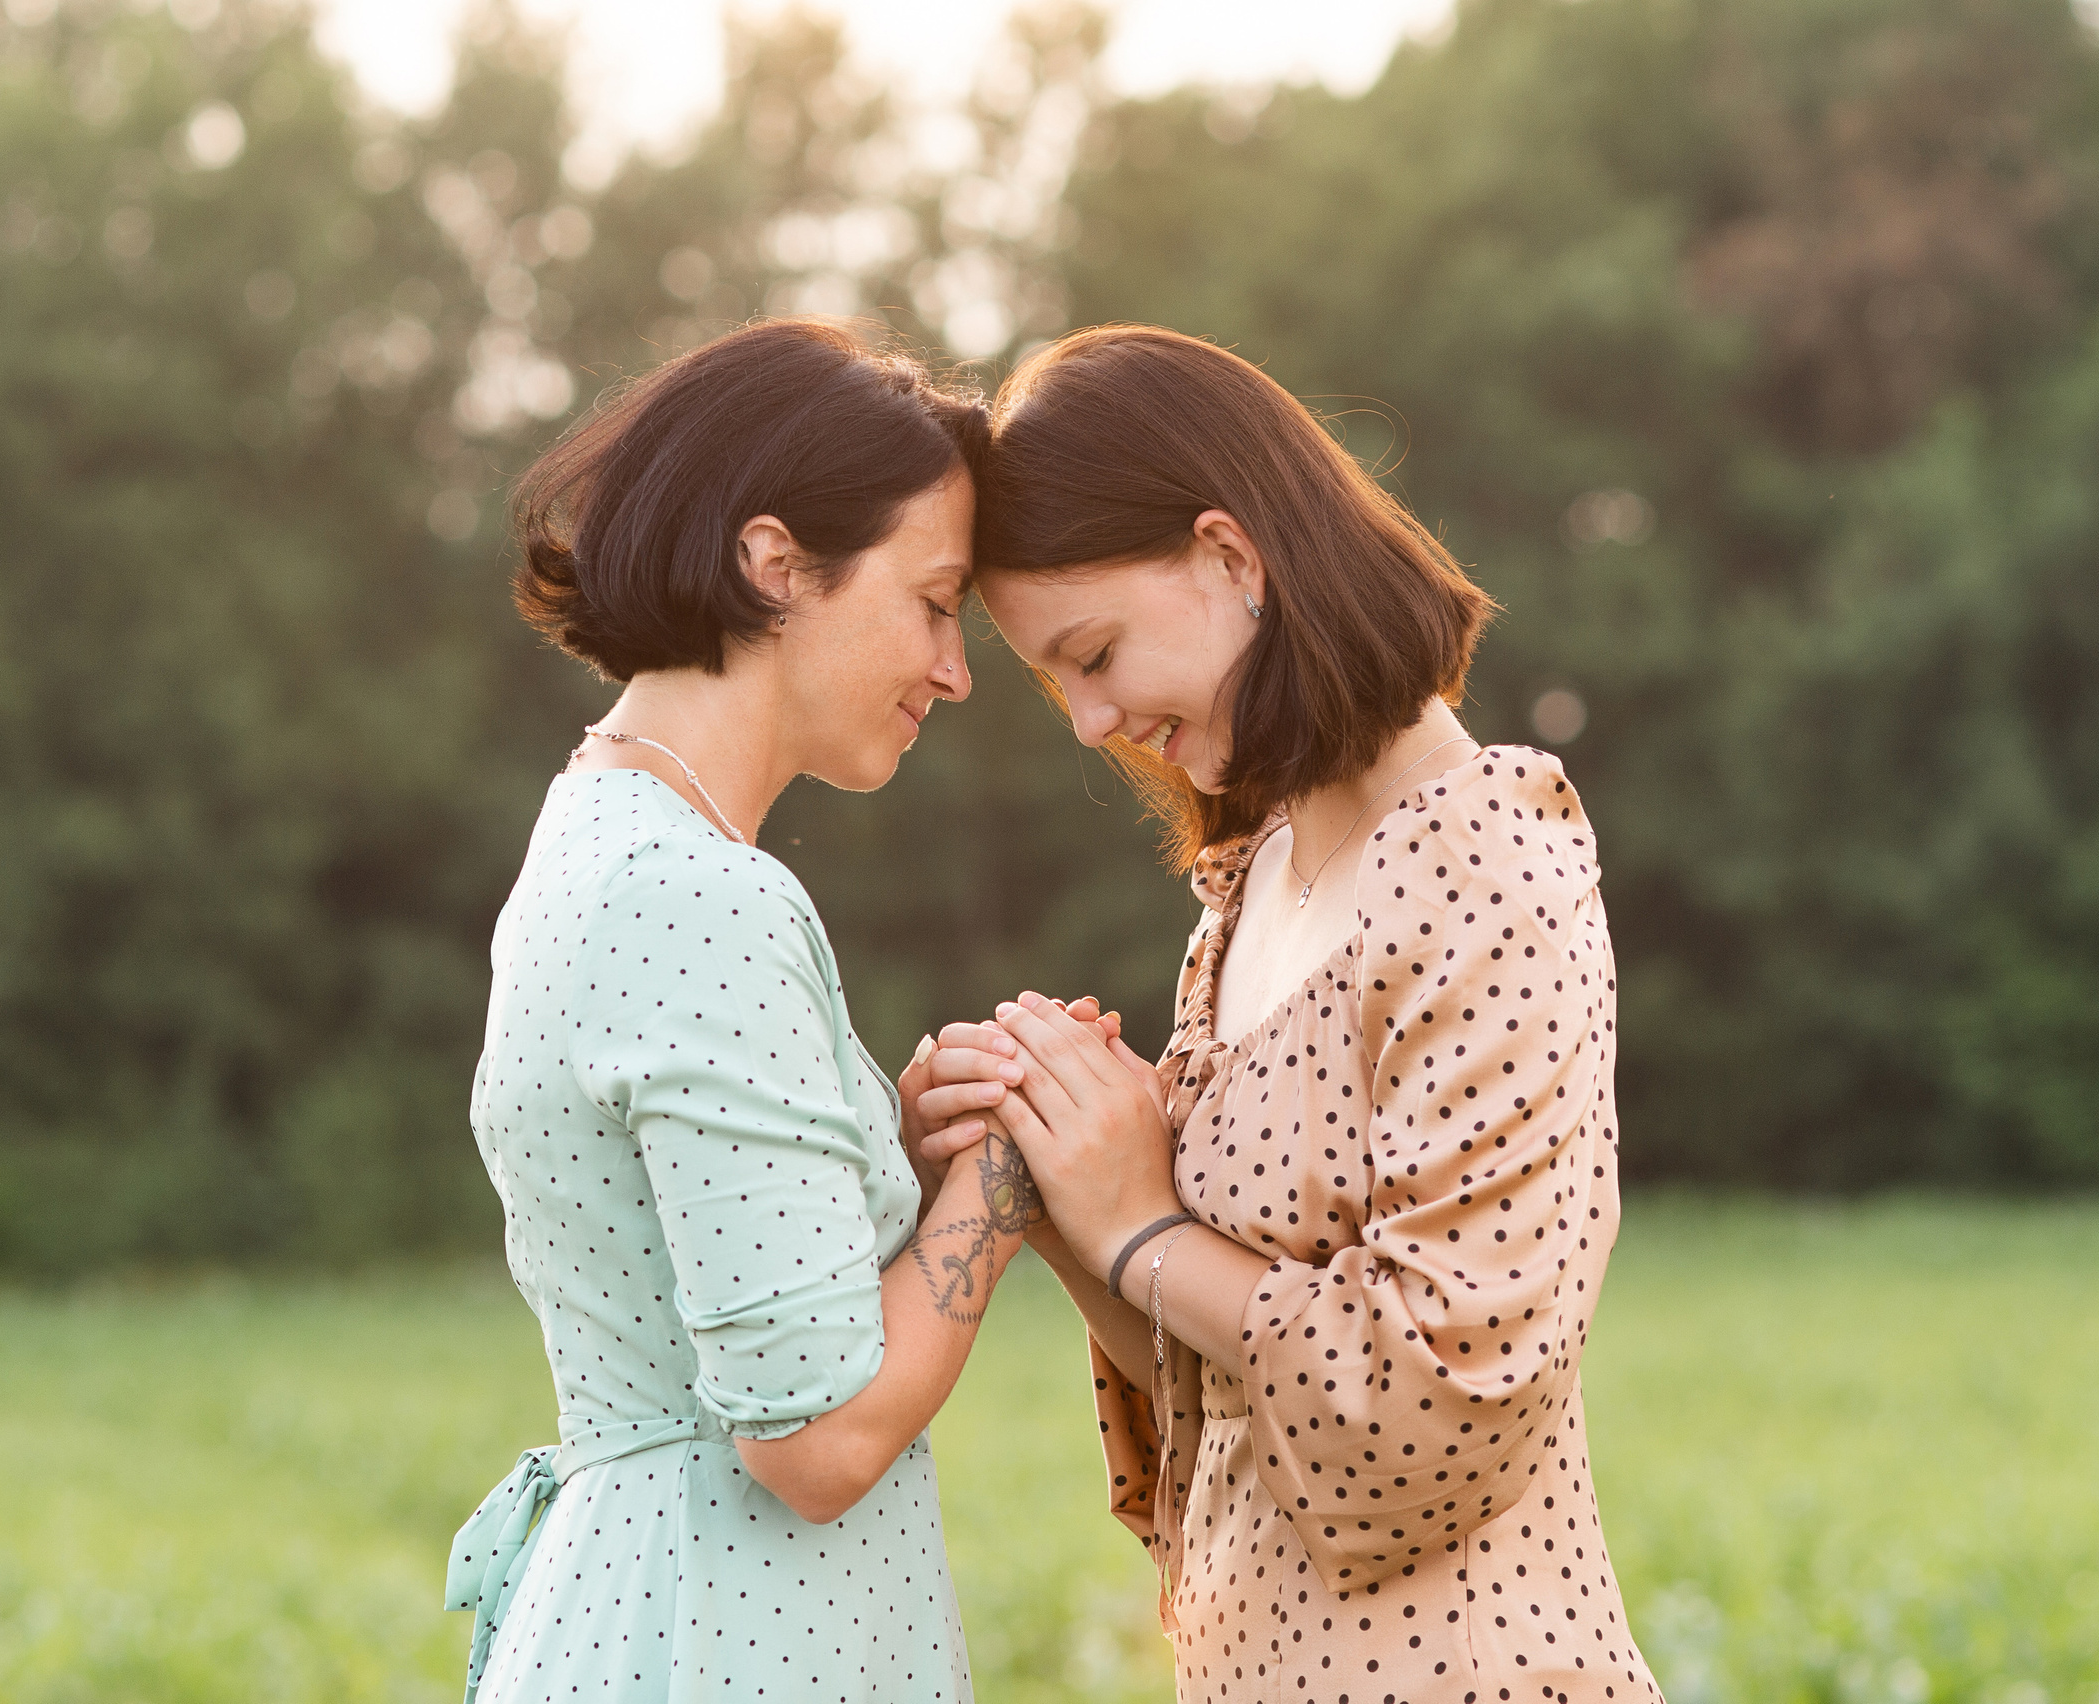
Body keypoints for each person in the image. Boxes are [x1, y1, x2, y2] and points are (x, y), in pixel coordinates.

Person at [918, 325, 1663, 1703]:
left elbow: (1435, 1417)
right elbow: (1221, 1390)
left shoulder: (1487, 863)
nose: (1087, 722)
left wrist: (1139, 1220)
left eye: (1094, 654)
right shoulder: (1254, 880)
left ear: (1231, 558)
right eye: (1053, 684)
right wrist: (1047, 1163)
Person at [448, 320, 1042, 1704]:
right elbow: (818, 1440)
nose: (955, 670)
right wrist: (1011, 1167)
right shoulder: (695, 894)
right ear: (776, 565)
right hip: (725, 1640)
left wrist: (895, 1153)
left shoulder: (605, 838)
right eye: (934, 601)